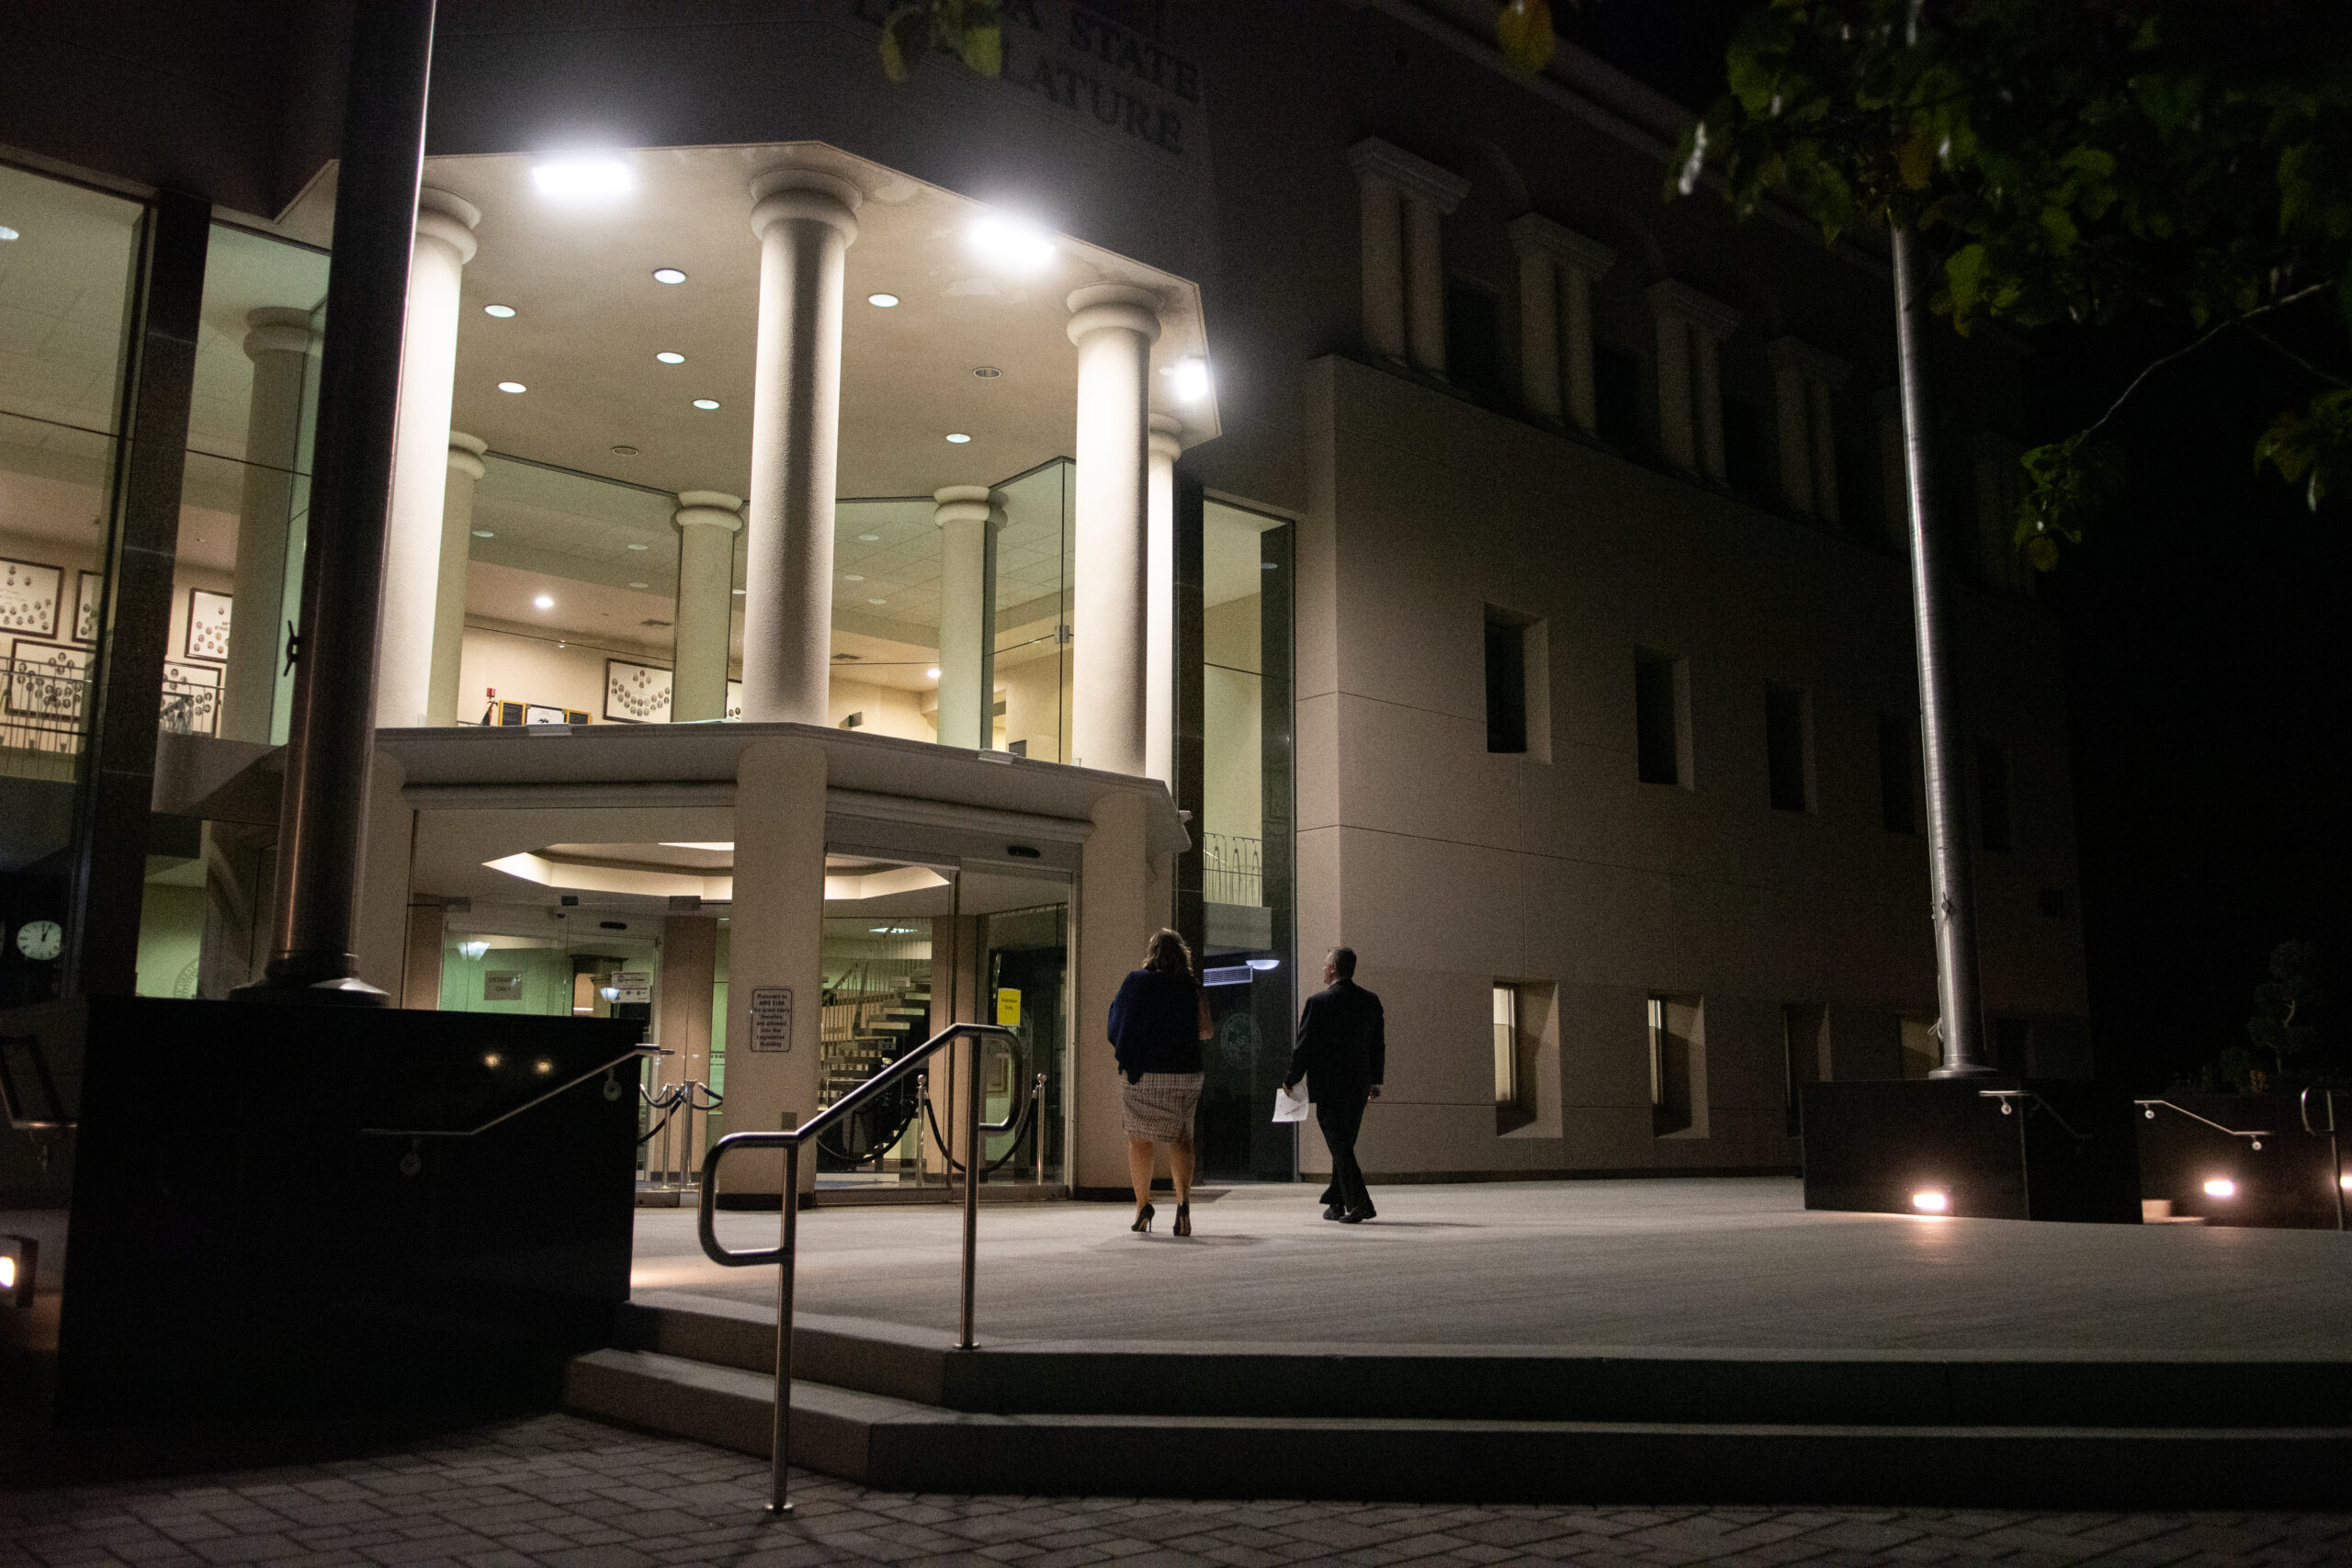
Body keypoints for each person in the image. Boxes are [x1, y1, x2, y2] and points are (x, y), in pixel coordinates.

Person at [1106, 928, 1214, 1235]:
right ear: (1183, 955)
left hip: (1143, 1072)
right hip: (1184, 1071)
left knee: (1140, 1138)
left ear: (1152, 953)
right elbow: (1206, 1031)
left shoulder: (1136, 982)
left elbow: (1116, 1022)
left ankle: (1143, 1206)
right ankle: (1183, 1208)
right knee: (1182, 1138)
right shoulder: (1192, 987)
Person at [1282, 945, 1385, 1223]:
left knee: (1339, 1144)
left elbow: (1303, 1047)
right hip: (1359, 1086)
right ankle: (1336, 1202)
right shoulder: (1370, 1001)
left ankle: (1361, 1203)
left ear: (1335, 969)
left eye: (1325, 964)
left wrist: (1291, 1079)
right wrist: (1375, 1080)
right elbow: (1377, 1045)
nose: (1323, 968)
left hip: (1329, 1087)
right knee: (1344, 1143)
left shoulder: (1318, 1003)